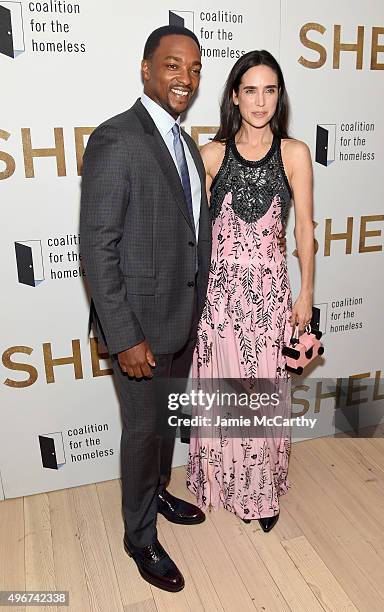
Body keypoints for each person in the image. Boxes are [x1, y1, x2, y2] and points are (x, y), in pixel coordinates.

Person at [80, 26, 213, 593]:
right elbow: (96, 249)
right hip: (137, 328)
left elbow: (190, 236)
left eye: (195, 68)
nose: (185, 78)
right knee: (141, 433)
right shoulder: (116, 138)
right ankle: (139, 536)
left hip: (181, 320)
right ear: (146, 68)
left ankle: (158, 492)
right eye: (172, 66)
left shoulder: (184, 142)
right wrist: (124, 335)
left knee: (164, 427)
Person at [187, 50, 314, 533]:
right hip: (219, 302)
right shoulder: (211, 155)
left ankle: (261, 492)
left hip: (270, 298)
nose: (261, 101)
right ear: (235, 97)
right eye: (251, 90)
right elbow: (191, 235)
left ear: (279, 96)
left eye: (271, 90)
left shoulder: (294, 153)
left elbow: (304, 229)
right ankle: (220, 483)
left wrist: (305, 295)